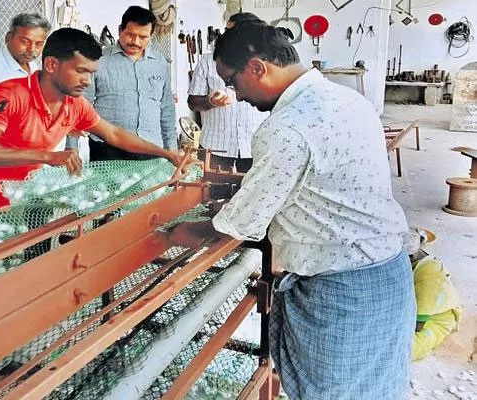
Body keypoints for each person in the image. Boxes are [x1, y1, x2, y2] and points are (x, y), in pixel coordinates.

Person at [170, 23, 415, 399]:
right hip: (389, 278)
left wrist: (173, 234)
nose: (236, 94)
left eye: (233, 81)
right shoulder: (347, 99)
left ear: (257, 67)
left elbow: (237, 227)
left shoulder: (285, 127)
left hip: (342, 297)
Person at [0, 28, 184, 314]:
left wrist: (165, 153)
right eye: (80, 71)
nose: (87, 81)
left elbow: (114, 134)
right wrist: (46, 155)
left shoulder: (74, 105)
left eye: (91, 73)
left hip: (12, 202)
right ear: (52, 64)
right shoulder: (7, 95)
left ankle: (4, 345)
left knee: (14, 282)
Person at [83, 6, 177, 161]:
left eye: (143, 37)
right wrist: (71, 146)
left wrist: (171, 148)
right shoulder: (98, 59)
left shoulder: (159, 62)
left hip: (151, 149)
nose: (136, 42)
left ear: (151, 35)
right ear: (120, 30)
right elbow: (81, 104)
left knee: (153, 187)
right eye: (130, 35)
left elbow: (166, 108)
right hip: (108, 150)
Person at [187, 12, 268, 173]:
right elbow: (192, 102)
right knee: (211, 195)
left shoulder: (266, 62)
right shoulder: (208, 62)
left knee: (254, 197)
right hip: (215, 148)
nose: (226, 36)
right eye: (226, 31)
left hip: (256, 148)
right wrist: (210, 102)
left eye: (232, 32)